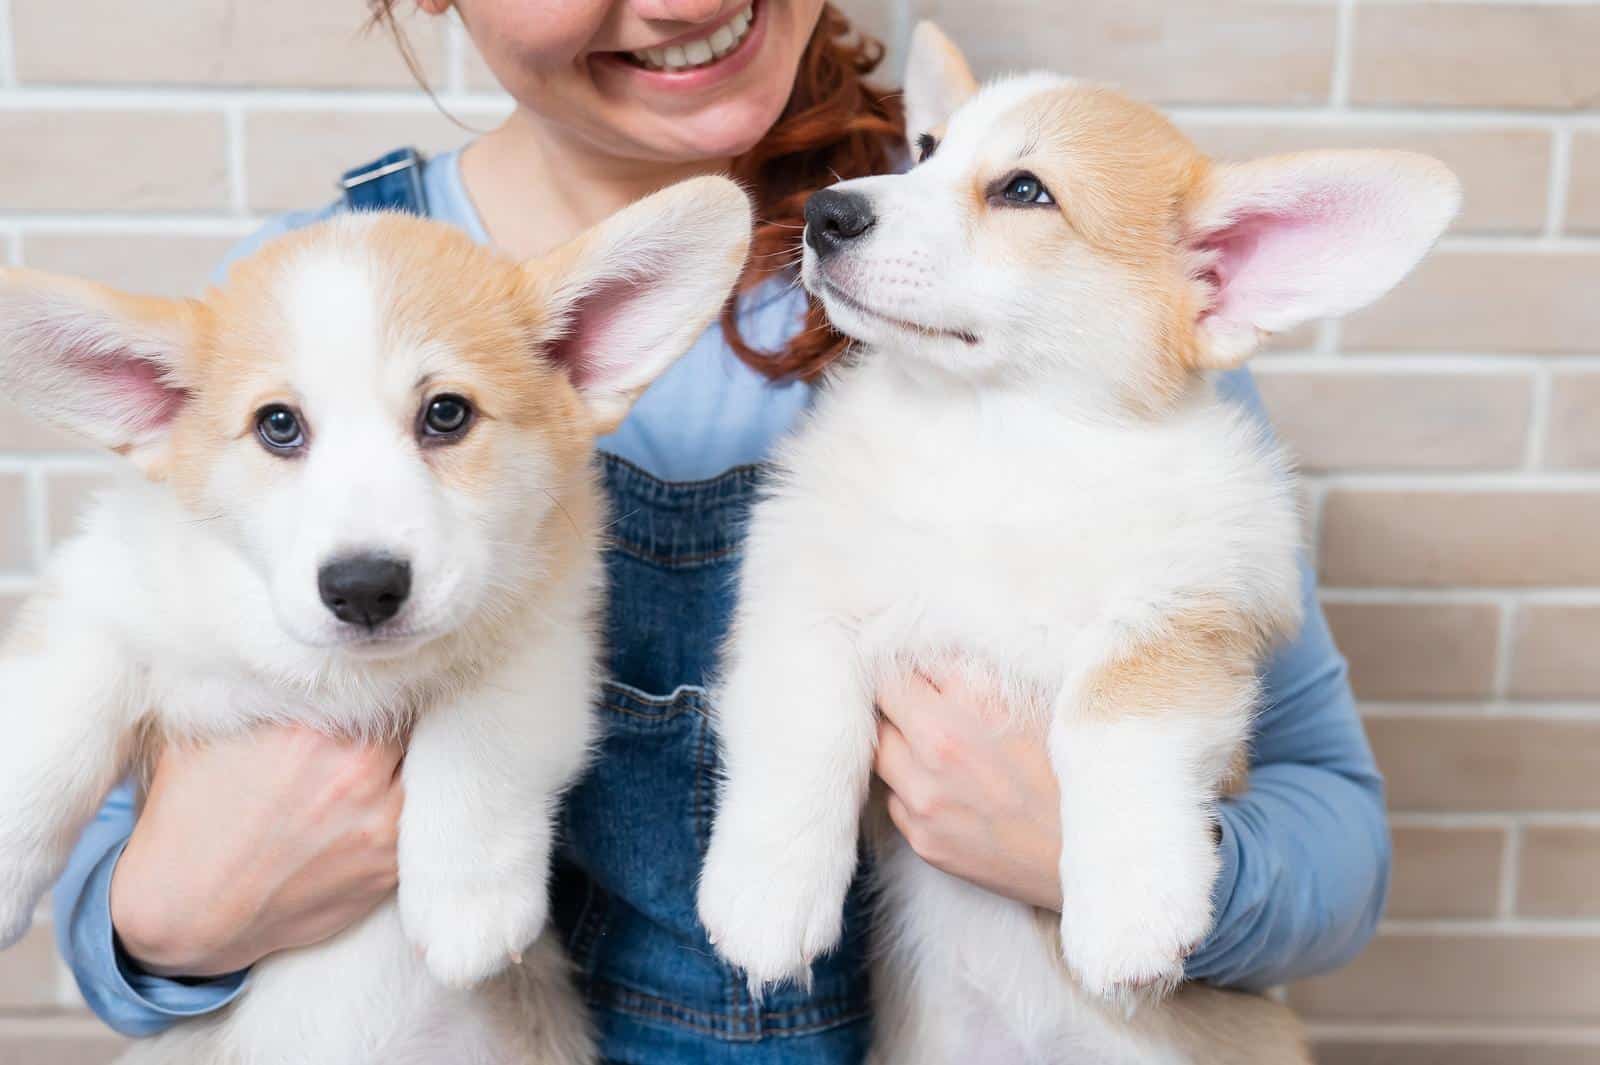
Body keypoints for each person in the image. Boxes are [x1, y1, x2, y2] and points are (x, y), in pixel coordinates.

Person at [52, 2, 1390, 1061]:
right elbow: (114, 924)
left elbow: (1335, 839)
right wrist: (174, 917)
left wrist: (1080, 844)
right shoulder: (305, 307)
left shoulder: (1058, 313)